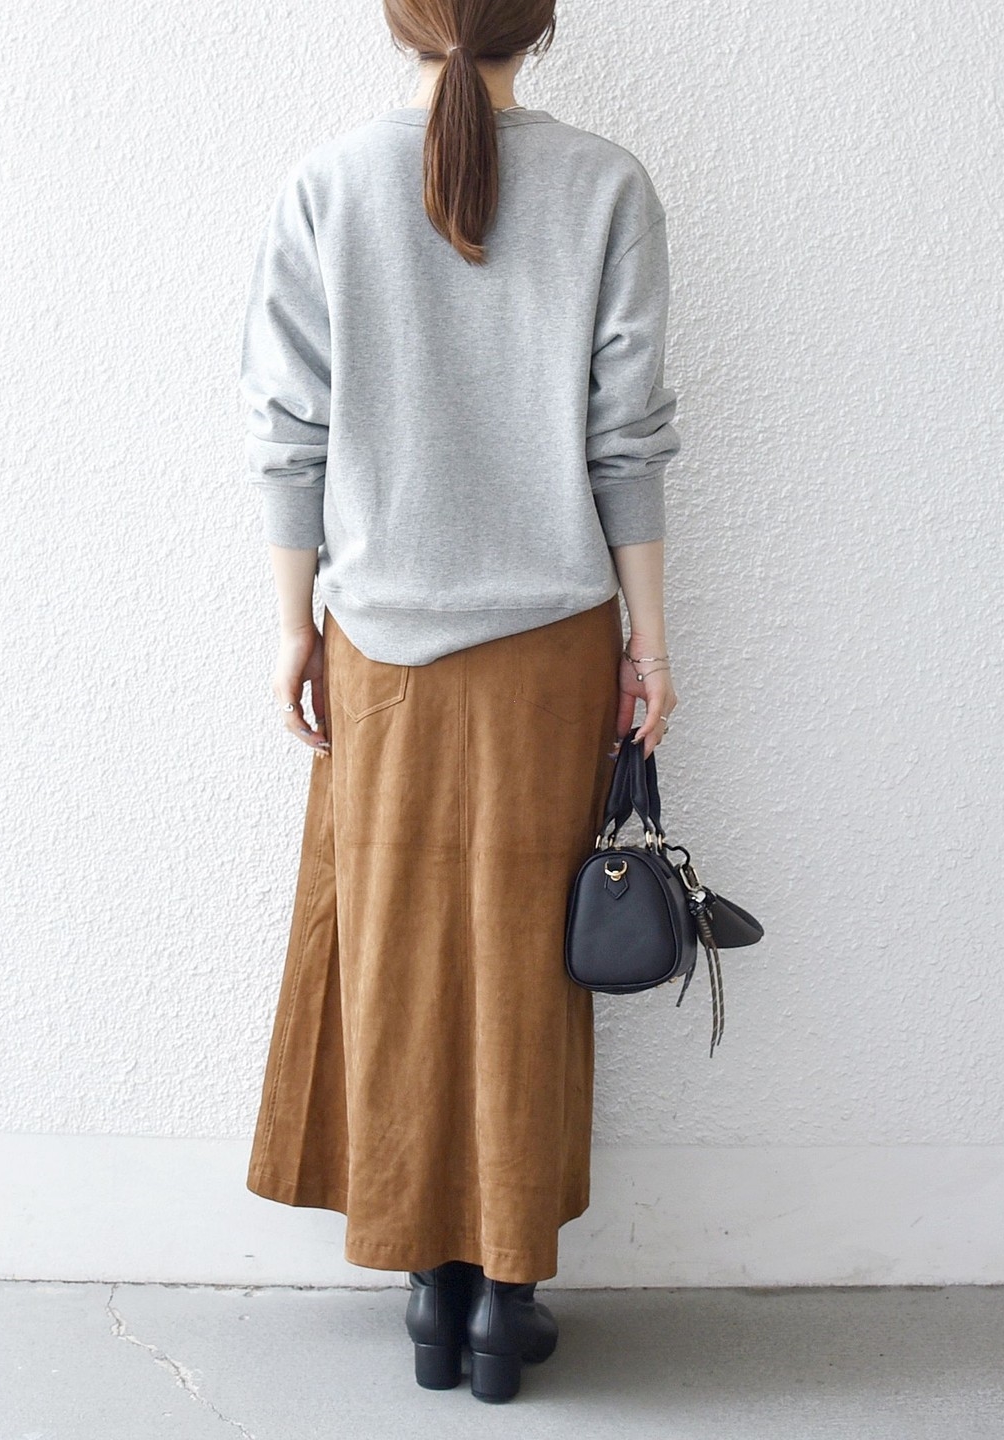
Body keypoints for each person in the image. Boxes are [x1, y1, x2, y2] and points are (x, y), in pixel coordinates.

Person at [237, 0, 680, 1404]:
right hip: (554, 645)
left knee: (395, 951)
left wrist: (292, 627)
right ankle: (504, 1299)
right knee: (528, 963)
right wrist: (651, 642)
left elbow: (290, 431)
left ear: (404, 23)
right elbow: (627, 438)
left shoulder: (326, 182)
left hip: (379, 643)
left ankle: (429, 1291)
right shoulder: (608, 185)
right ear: (538, 26)